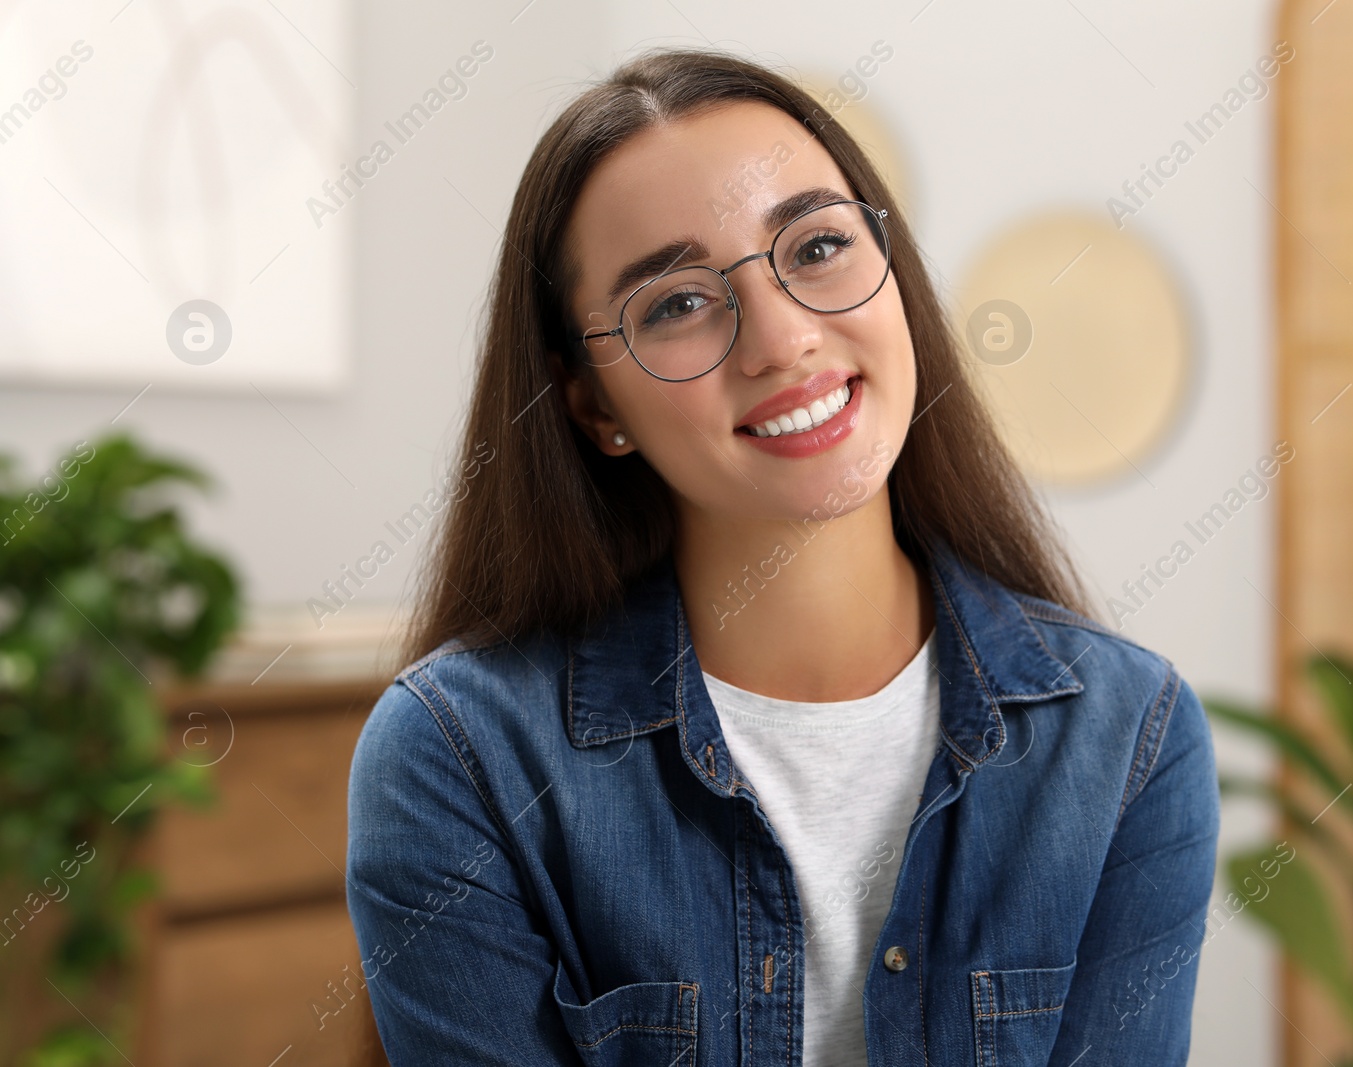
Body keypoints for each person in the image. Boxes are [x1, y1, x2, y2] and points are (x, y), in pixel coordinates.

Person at [344, 46, 1220, 1067]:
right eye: (674, 302)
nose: (782, 338)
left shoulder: (1128, 739)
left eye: (814, 246)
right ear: (592, 404)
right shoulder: (458, 759)